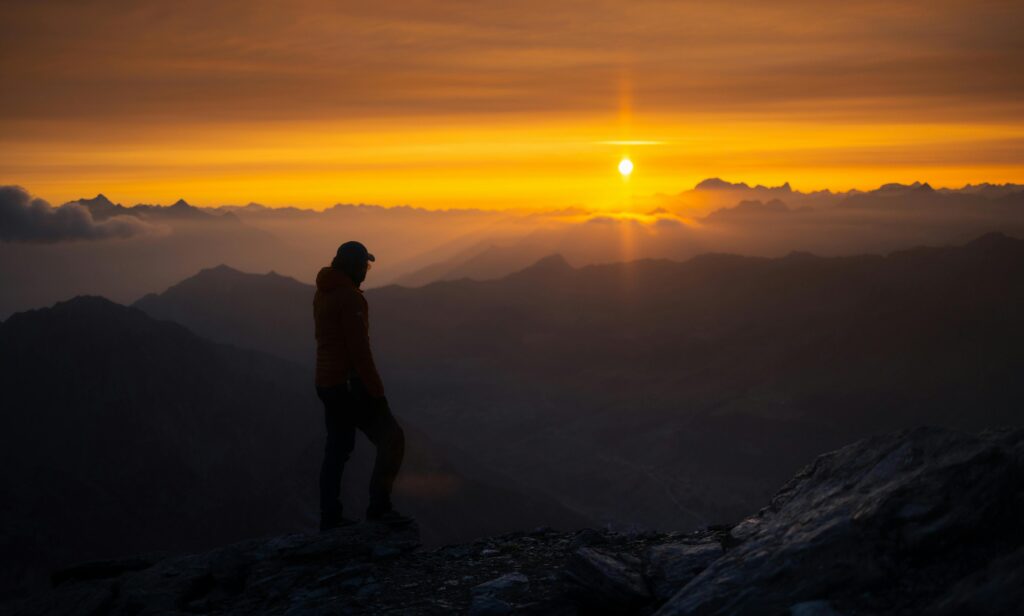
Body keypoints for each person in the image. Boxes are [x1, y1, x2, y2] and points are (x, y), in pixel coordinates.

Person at [313, 240, 410, 530]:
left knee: (337, 450)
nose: (367, 271)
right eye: (364, 266)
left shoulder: (323, 292)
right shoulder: (350, 299)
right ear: (355, 268)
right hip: (349, 386)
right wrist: (376, 391)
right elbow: (360, 352)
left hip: (326, 382)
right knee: (392, 440)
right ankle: (379, 508)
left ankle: (330, 517)